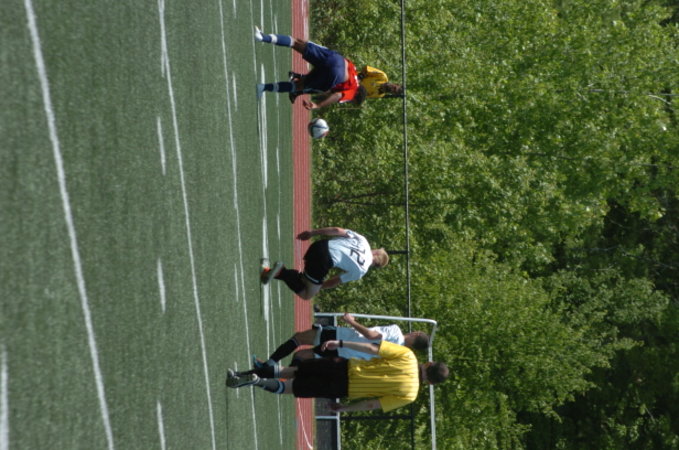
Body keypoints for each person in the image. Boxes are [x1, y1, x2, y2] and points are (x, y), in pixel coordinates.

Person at [226, 340, 449, 413]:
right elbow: (372, 404)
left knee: (290, 371)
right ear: (430, 383)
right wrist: (345, 408)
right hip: (343, 388)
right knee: (291, 387)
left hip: (343, 366)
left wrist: (340, 343)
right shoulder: (410, 394)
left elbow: (371, 348)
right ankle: (256, 382)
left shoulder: (408, 355)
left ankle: (242, 375)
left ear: (428, 363)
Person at [254, 312, 429, 367]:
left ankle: (269, 365)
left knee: (299, 339)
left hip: (341, 338)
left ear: (416, 334)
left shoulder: (396, 331)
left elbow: (371, 336)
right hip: (345, 355)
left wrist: (351, 321)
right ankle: (277, 375)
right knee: (301, 356)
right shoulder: (400, 354)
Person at [253, 27, 368, 110]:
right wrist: (318, 105)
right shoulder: (353, 91)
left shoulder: (354, 71)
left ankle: (262, 37)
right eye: (353, 101)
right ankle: (263, 87)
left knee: (296, 43)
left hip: (337, 59)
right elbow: (337, 95)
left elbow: (341, 63)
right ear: (357, 94)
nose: (351, 101)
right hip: (335, 74)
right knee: (298, 86)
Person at [261, 227, 388, 300]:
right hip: (324, 260)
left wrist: (312, 233)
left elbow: (336, 230)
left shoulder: (363, 241)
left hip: (319, 246)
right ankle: (281, 272)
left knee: (306, 279)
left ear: (376, 253)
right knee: (307, 294)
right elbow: (335, 281)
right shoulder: (362, 271)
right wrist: (319, 288)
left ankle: (272, 273)